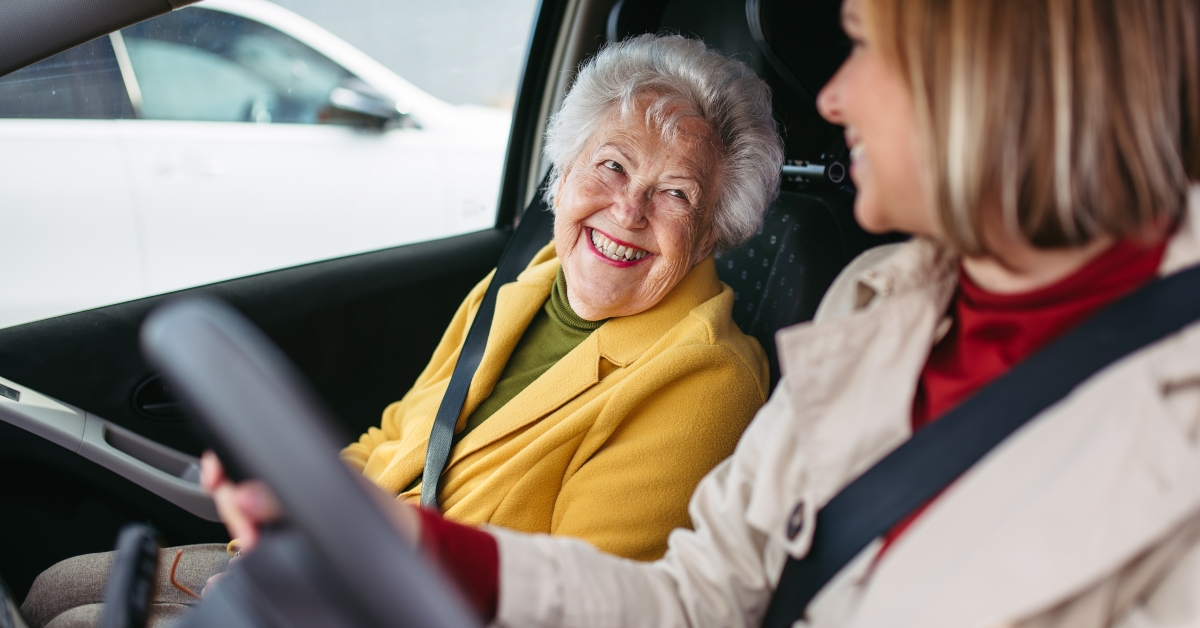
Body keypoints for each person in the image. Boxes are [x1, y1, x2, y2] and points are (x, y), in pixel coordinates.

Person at [205, 0, 1200, 625]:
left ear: (997, 86)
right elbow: (693, 602)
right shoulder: (878, 312)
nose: (834, 99)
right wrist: (405, 540)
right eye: (608, 168)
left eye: (866, 48)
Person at [19, 34, 783, 628]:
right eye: (612, 166)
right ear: (565, 167)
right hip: (344, 561)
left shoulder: (705, 381)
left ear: (712, 234)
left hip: (419, 607)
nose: (628, 210)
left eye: (675, 195)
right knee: (56, 587)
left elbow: (580, 604)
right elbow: (398, 436)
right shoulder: (527, 284)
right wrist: (293, 525)